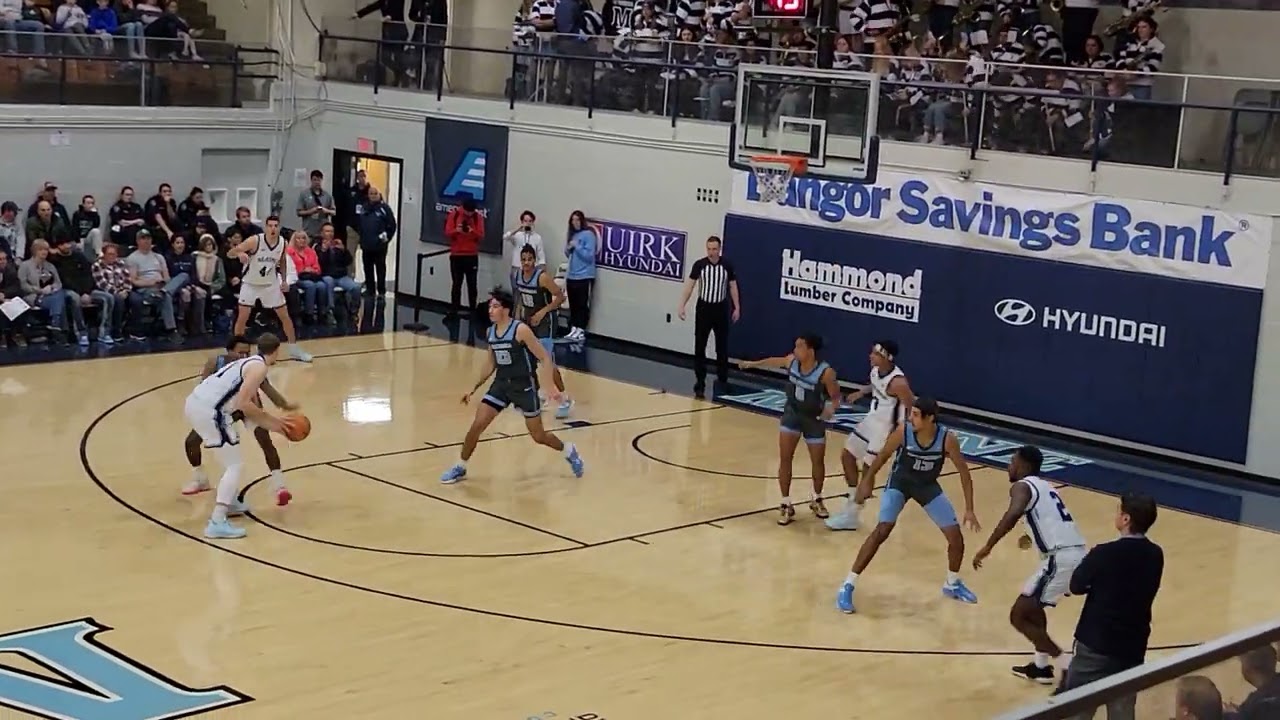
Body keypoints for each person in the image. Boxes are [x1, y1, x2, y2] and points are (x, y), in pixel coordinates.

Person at [836, 397, 981, 613]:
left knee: (956, 538)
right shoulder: (903, 432)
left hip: (927, 487)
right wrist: (866, 482)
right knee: (882, 530)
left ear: (930, 418)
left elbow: (964, 474)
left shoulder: (947, 440)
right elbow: (883, 455)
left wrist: (969, 509)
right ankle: (847, 584)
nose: (910, 418)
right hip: (900, 483)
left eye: (915, 414)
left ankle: (952, 584)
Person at [440, 288, 585, 484]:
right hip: (501, 385)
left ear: (506, 310)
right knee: (477, 425)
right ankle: (460, 465)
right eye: (490, 306)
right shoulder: (491, 332)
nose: (490, 310)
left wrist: (550, 386)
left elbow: (544, 357)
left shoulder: (520, 330)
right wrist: (473, 388)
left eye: (495, 306)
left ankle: (568, 450)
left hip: (524, 386)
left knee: (538, 435)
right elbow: (490, 364)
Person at [972, 445, 1088, 684]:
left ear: (1024, 465)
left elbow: (1013, 512)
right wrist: (1032, 534)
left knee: (1019, 615)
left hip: (1060, 558)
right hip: (1069, 554)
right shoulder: (1046, 486)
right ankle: (1041, 666)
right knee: (1034, 609)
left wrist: (988, 546)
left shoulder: (1022, 486)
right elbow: (1047, 518)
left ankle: (1067, 666)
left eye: (1012, 461)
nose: (1009, 465)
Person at [1055, 492, 1163, 720]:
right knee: (1123, 712)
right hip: (1132, 646)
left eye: (1119, 511)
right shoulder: (1156, 554)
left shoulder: (1103, 553)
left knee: (1077, 710)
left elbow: (1076, 585)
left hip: (1096, 644)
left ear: (1126, 519)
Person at [182, 333, 287, 539]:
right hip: (211, 411)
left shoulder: (247, 363)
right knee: (235, 465)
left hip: (197, 403)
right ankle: (217, 520)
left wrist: (273, 424)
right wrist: (275, 423)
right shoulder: (258, 367)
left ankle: (229, 501)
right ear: (275, 352)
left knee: (229, 457)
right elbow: (243, 404)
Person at [739, 333, 841, 524]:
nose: (795, 350)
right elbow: (773, 361)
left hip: (813, 419)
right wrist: (752, 364)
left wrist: (830, 409)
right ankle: (785, 503)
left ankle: (817, 498)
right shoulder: (792, 362)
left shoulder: (826, 372)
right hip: (792, 415)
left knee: (817, 462)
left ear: (810, 350)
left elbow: (836, 397)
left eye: (799, 346)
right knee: (785, 458)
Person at [826, 340, 915, 531]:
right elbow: (876, 385)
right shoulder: (875, 371)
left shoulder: (898, 382)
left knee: (868, 471)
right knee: (847, 456)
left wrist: (905, 434)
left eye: (875, 354)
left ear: (886, 358)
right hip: (871, 420)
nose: (870, 356)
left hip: (886, 429)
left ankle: (852, 515)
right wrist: (861, 392)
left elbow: (911, 406)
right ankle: (853, 497)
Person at [228, 216, 312, 362]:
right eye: (270, 226)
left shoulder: (282, 243)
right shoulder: (255, 240)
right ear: (266, 227)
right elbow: (231, 252)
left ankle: (293, 349)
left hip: (270, 283)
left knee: (285, 316)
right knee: (242, 318)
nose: (273, 229)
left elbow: (283, 262)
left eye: (276, 226)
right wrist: (240, 253)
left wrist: (284, 280)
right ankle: (236, 352)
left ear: (279, 228)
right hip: (250, 283)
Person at [513, 243, 573, 419]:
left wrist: (542, 311)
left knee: (547, 362)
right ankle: (536, 396)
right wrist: (517, 320)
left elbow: (560, 297)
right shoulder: (518, 276)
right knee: (528, 361)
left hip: (546, 322)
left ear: (535, 260)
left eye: (530, 259)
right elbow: (519, 299)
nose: (526, 263)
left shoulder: (543, 278)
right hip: (529, 321)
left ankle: (564, 398)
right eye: (523, 259)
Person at [678, 235, 740, 398]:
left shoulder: (727, 265)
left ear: (719, 249)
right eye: (709, 249)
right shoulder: (700, 265)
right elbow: (690, 286)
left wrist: (737, 307)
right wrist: (682, 305)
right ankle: (700, 381)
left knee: (722, 348)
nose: (711, 252)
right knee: (700, 347)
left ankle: (722, 380)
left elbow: (733, 287)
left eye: (714, 249)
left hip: (720, 308)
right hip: (704, 308)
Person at [444, 193, 483, 316]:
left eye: (471, 213)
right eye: (467, 213)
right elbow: (447, 232)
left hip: (471, 255)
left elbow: (481, 235)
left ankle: (472, 309)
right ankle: (454, 309)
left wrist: (473, 231)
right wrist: (457, 230)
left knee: (472, 284)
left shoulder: (478, 217)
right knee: (456, 284)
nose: (469, 216)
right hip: (456, 255)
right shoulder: (454, 215)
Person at [563, 210, 597, 342]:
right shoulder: (573, 235)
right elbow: (568, 254)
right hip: (572, 274)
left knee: (582, 304)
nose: (575, 223)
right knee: (573, 303)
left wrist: (577, 246)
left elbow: (589, 256)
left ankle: (581, 329)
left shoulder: (589, 235)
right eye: (573, 220)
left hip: (584, 275)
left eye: (577, 220)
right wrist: (568, 247)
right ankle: (574, 327)